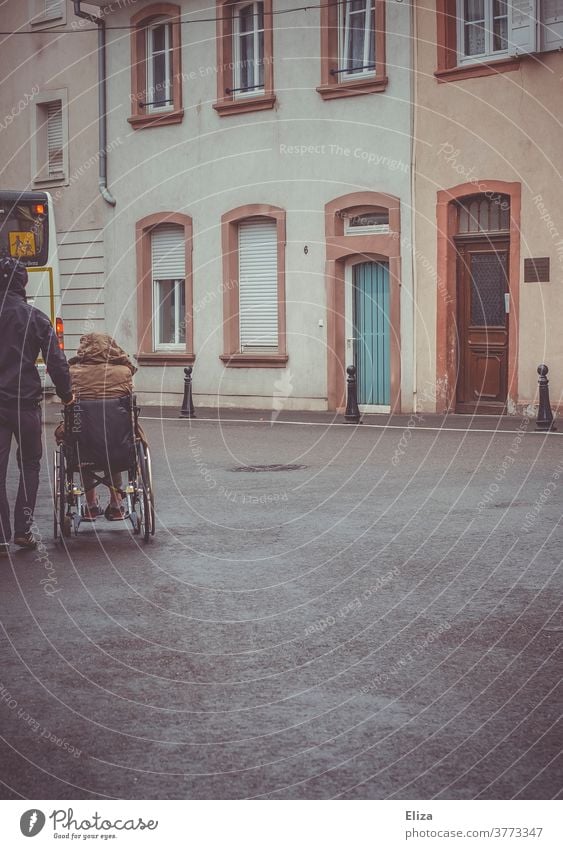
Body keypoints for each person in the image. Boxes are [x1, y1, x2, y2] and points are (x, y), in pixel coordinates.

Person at [0, 256, 73, 555]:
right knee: (29, 464)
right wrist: (66, 393)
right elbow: (56, 360)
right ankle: (22, 530)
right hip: (26, 403)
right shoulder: (36, 317)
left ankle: (2, 536)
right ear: (23, 283)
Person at [57, 332, 138, 521]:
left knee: (83, 440)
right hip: (117, 441)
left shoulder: (73, 372)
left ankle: (91, 505)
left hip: (84, 441)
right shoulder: (123, 372)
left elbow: (67, 403)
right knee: (115, 433)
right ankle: (117, 504)